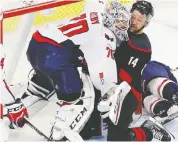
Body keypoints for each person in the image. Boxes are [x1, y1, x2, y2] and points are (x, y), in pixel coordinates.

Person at [2, 1, 131, 141]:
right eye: (121, 22)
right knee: (75, 97)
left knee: (43, 87)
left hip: (36, 45)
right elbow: (100, 68)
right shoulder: (105, 34)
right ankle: (59, 135)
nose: (123, 27)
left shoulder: (93, 15)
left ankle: (10, 115)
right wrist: (108, 89)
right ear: (112, 19)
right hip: (53, 56)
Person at [98, 1, 172, 141]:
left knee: (116, 139)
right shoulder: (120, 28)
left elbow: (124, 75)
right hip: (107, 86)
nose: (134, 21)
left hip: (127, 93)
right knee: (88, 133)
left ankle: (148, 131)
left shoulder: (141, 46)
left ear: (146, 23)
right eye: (134, 16)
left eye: (140, 19)